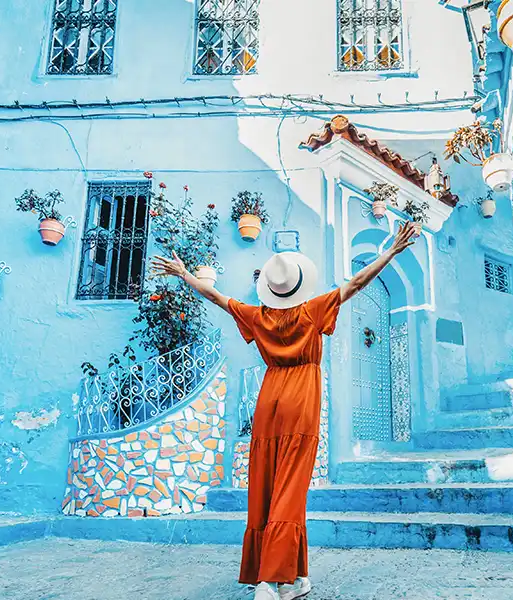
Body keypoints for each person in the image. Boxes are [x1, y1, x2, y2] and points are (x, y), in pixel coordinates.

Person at [151, 222, 418, 600]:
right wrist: (389, 253)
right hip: (300, 400)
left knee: (266, 487)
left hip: (269, 398)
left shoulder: (257, 315)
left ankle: (297, 577)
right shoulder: (312, 309)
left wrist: (184, 274)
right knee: (291, 491)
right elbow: (356, 283)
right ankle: (268, 581)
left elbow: (216, 297)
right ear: (298, 285)